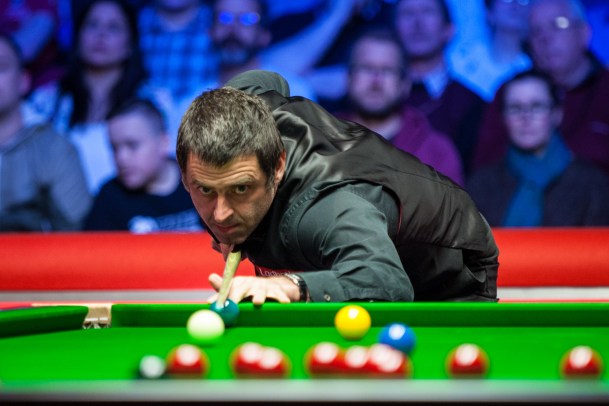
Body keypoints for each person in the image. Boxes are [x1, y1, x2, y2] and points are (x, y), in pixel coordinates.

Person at [177, 70, 498, 305]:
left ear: (277, 167)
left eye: (241, 189)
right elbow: (268, 79)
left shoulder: (327, 206)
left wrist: (287, 285)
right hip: (353, 240)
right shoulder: (244, 103)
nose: (220, 213)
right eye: (206, 190)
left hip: (447, 264)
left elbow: (385, 280)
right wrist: (233, 222)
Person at [25, 0, 157, 195]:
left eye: (113, 27)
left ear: (130, 44)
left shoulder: (152, 99)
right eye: (92, 25)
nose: (101, 34)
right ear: (77, 36)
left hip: (131, 205)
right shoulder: (46, 100)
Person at [473, 0, 609, 177]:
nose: (546, 37)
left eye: (558, 24)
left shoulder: (604, 92)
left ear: (584, 32)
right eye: (536, 30)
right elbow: (485, 170)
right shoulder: (512, 93)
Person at [467, 70, 609, 226]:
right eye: (515, 108)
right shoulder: (482, 184)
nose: (525, 117)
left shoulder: (592, 184)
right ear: (503, 117)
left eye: (537, 106)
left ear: (557, 114)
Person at [339, 29, 464, 185]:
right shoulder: (321, 142)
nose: (376, 81)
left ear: (405, 84)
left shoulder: (435, 150)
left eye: (387, 70)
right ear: (348, 78)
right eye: (366, 68)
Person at [0, 33, 91, 231]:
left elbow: (76, 232)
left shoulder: (53, 148)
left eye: (1, 66)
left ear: (23, 81)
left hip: (33, 250)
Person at [393, 0, 487, 176]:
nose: (417, 22)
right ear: (395, 30)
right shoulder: (375, 97)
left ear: (449, 30)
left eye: (427, 12)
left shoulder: (471, 104)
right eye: (408, 13)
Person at [84, 99, 204, 232]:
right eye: (114, 148)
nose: (121, 157)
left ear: (163, 143)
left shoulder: (204, 182)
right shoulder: (110, 197)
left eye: (132, 145)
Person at [449, 0, 533, 101]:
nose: (515, 5)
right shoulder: (461, 60)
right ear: (489, 12)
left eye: (523, 1)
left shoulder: (534, 66)